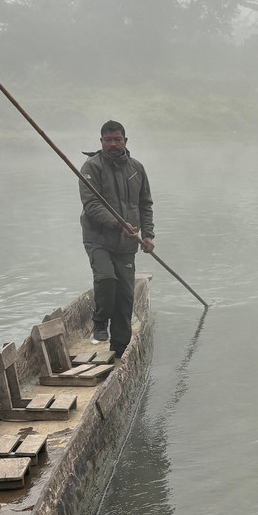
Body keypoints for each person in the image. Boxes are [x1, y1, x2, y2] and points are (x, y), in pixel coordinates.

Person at [79, 120, 155, 356]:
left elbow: (145, 205)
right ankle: (100, 322)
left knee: (125, 298)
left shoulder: (136, 169)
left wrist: (149, 235)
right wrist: (118, 224)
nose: (113, 144)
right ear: (101, 141)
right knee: (106, 279)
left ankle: (120, 352)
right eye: (108, 140)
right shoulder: (91, 167)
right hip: (98, 239)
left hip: (127, 244)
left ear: (125, 141)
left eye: (117, 139)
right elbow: (91, 204)